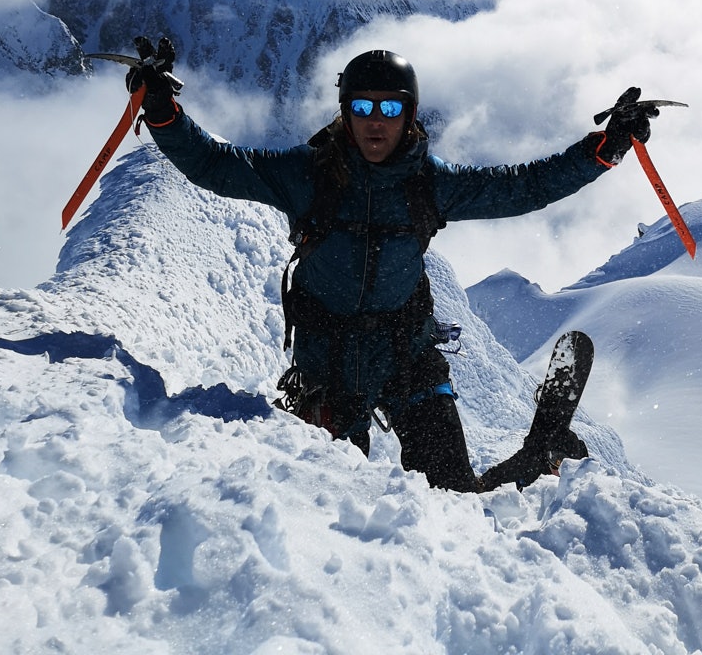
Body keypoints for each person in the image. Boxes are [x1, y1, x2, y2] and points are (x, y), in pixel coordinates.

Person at [126, 39, 657, 493]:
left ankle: (533, 460)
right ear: (344, 110)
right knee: (321, 497)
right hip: (326, 372)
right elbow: (216, 165)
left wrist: (604, 149)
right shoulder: (306, 175)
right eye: (362, 107)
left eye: (389, 109)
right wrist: (164, 113)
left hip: (408, 357)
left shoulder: (430, 183)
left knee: (452, 497)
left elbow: (523, 186)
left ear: (409, 115)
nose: (374, 123)